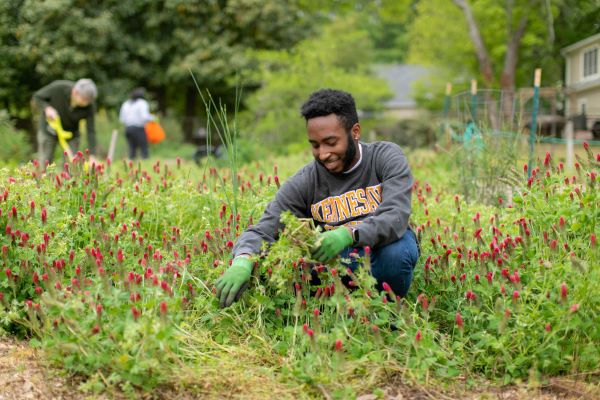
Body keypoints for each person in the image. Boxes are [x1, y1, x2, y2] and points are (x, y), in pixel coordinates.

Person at [216, 89, 419, 308]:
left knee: (395, 254)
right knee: (275, 266)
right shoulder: (306, 181)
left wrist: (348, 233)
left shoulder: (384, 157)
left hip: (381, 251)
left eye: (331, 142)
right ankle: (333, 308)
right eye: (315, 145)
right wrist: (242, 261)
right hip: (336, 261)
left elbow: (395, 215)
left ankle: (385, 310)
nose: (323, 153)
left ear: (355, 132)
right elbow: (265, 229)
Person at [33, 79, 98, 166]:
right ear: (75, 92)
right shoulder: (59, 88)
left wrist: (92, 155)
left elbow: (91, 130)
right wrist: (47, 108)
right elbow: (37, 96)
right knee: (45, 161)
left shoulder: (89, 106)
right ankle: (43, 178)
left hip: (71, 134)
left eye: (89, 101)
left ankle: (68, 179)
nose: (87, 103)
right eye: (84, 100)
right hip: (49, 130)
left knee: (72, 164)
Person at [119, 87, 154, 159]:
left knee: (132, 150)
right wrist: (153, 118)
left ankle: (130, 167)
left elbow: (122, 119)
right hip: (139, 129)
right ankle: (146, 165)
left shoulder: (126, 103)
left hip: (128, 129)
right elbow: (145, 117)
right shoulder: (142, 103)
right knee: (144, 149)